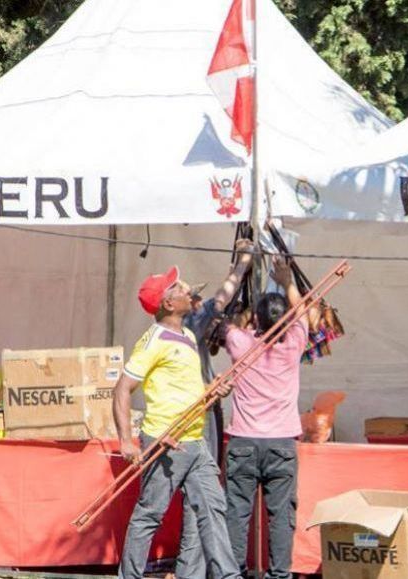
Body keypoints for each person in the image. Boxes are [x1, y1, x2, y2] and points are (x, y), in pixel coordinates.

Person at [113, 266, 241, 579]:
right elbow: (122, 390)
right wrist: (127, 441)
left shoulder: (184, 334)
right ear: (168, 303)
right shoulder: (153, 340)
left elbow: (185, 387)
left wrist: (213, 391)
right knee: (149, 515)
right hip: (165, 442)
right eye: (179, 289)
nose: (188, 292)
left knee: (213, 508)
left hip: (196, 442)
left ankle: (228, 576)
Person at [222, 257, 316, 579]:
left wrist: (241, 270)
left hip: (244, 442)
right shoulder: (293, 345)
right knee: (281, 517)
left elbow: (227, 319)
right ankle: (280, 575)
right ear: (286, 322)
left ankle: (232, 573)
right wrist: (288, 280)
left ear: (257, 321)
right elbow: (302, 313)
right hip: (280, 444)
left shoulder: (239, 342)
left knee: (236, 513)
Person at [177, 239, 253, 579]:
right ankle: (198, 571)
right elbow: (223, 296)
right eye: (188, 295)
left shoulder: (170, 331)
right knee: (203, 498)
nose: (196, 300)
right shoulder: (189, 326)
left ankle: (202, 570)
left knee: (199, 497)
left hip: (195, 414)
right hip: (199, 418)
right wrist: (242, 263)